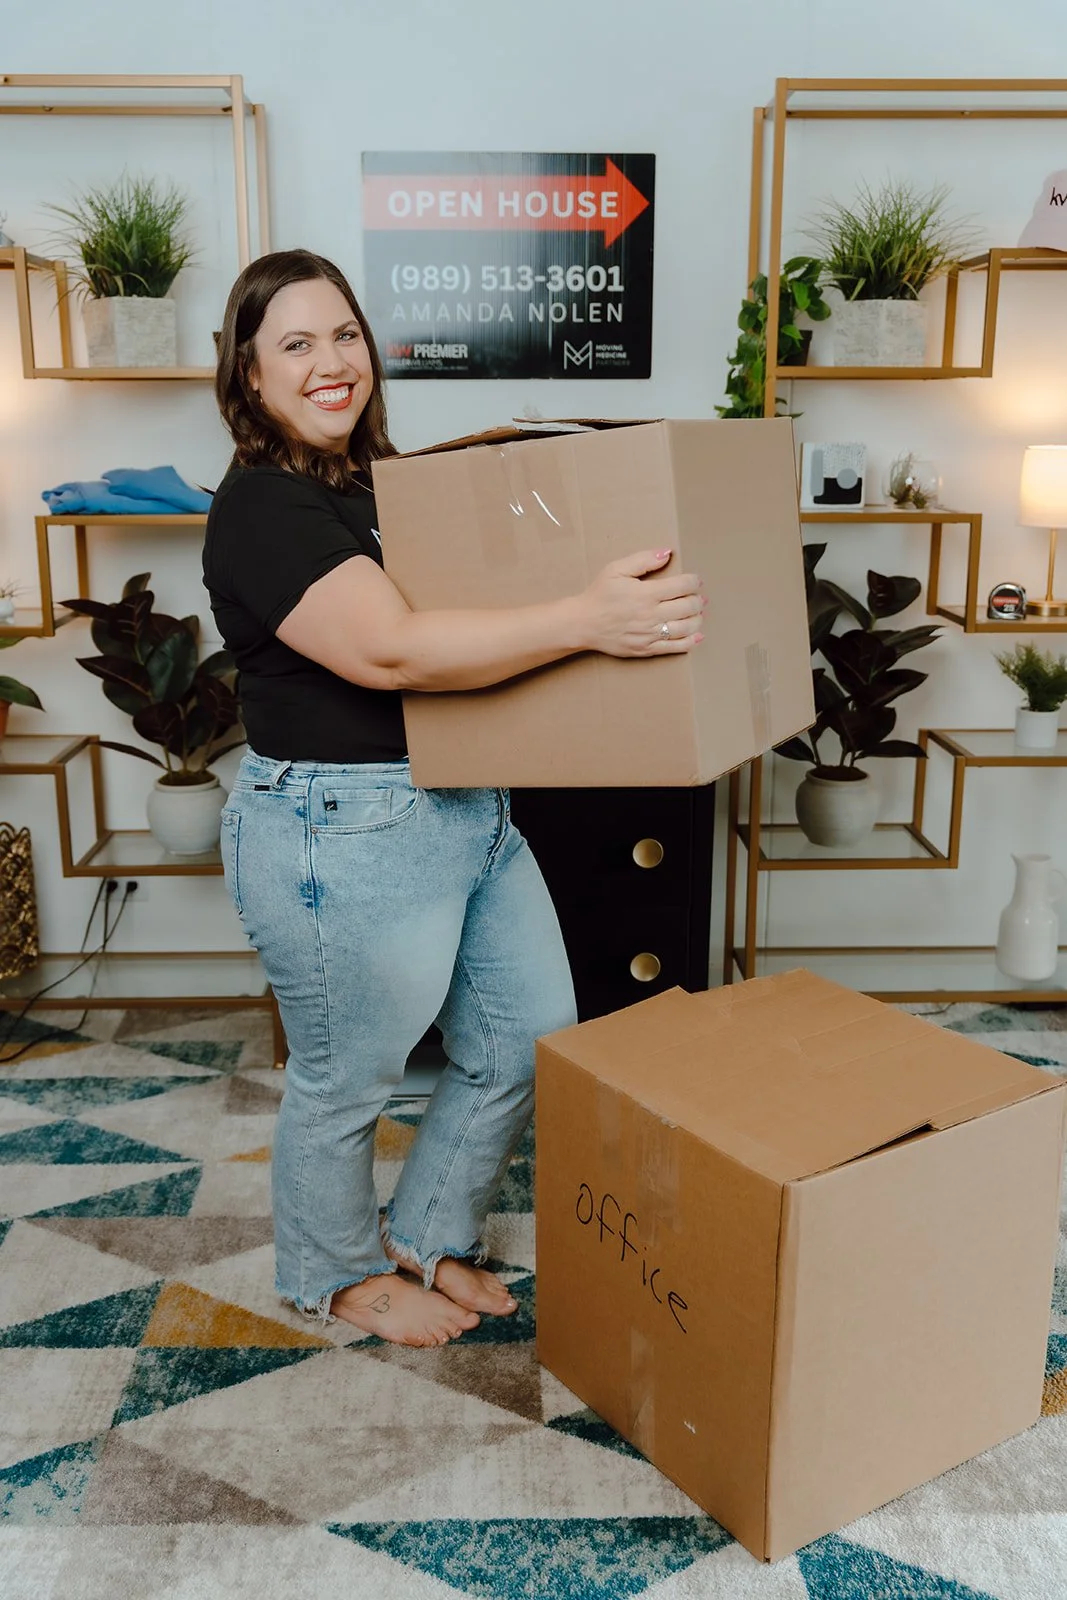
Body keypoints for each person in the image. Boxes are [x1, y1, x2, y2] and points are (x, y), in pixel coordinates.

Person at [203, 249, 705, 1349]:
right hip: (342, 826)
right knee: (348, 1079)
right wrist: (587, 619)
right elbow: (390, 652)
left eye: (344, 335)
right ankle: (333, 1271)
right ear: (246, 376)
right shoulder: (262, 509)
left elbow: (476, 609)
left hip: (463, 807)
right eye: (295, 344)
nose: (332, 363)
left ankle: (428, 1231)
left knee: (527, 1038)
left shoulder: (374, 489)